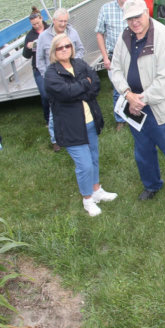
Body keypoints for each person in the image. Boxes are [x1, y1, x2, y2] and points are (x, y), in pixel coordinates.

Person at [109, 0, 165, 201]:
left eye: (138, 16)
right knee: (142, 150)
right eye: (130, 19)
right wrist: (127, 94)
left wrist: (141, 99)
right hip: (134, 106)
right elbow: (115, 69)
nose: (134, 22)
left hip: (158, 106)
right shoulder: (125, 37)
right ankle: (152, 185)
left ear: (147, 12)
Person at [45, 33, 117, 217]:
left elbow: (96, 83)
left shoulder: (80, 64)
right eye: (60, 47)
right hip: (71, 126)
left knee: (93, 158)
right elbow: (66, 92)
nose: (64, 50)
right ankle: (87, 200)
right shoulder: (51, 74)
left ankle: (96, 190)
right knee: (84, 165)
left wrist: (80, 89)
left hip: (90, 121)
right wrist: (85, 83)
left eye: (67, 46)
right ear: (54, 51)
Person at [36, 8, 86, 151]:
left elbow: (81, 49)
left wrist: (73, 63)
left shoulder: (73, 33)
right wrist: (49, 78)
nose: (63, 24)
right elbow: (39, 60)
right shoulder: (44, 37)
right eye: (60, 21)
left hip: (72, 77)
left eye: (65, 21)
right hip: (55, 81)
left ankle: (76, 133)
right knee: (55, 110)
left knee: (75, 105)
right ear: (53, 20)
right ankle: (55, 139)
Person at [96, 0, 134, 131]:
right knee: (118, 88)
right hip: (114, 56)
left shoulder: (134, 7)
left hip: (133, 54)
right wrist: (105, 57)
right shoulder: (106, 9)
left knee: (135, 85)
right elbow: (99, 33)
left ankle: (135, 114)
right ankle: (120, 119)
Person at [22, 7, 50, 126]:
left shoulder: (50, 29)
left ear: (41, 19)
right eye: (34, 25)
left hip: (52, 64)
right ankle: (48, 118)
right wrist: (28, 47)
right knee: (44, 94)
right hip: (38, 68)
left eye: (38, 23)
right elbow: (26, 56)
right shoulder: (30, 36)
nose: (36, 26)